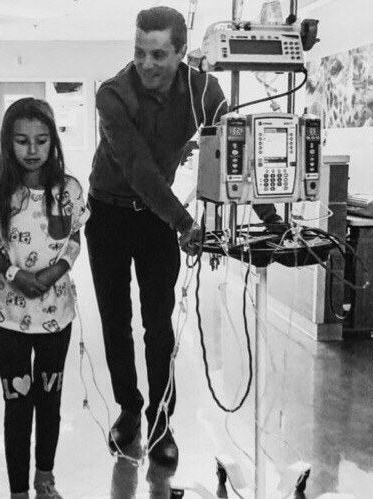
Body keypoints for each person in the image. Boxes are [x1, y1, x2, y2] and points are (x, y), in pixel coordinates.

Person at [84, 6, 281, 467]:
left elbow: (237, 151)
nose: (146, 64)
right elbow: (138, 168)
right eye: (139, 52)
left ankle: (161, 420)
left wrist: (273, 220)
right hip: (109, 214)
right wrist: (184, 222)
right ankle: (129, 409)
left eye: (158, 54)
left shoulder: (204, 91)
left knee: (159, 324)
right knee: (115, 321)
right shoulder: (113, 94)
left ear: (181, 53)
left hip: (156, 219)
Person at [0, 97, 89, 499]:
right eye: (22, 141)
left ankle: (44, 478)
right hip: (9, 314)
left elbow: (74, 240)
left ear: (53, 141)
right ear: (8, 142)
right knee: (17, 403)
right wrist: (14, 275)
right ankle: (18, 490)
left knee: (49, 400)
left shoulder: (68, 189)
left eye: (41, 140)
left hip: (56, 313)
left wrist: (54, 273)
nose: (32, 150)